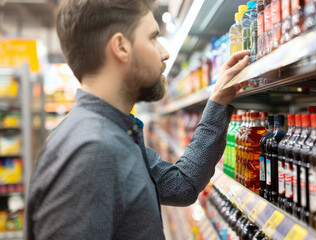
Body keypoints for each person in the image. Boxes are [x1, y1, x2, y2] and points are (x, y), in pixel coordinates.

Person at [24, 0, 250, 239]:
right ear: (121, 47)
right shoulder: (91, 153)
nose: (165, 53)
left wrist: (218, 101)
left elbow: (181, 186)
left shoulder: (114, 134)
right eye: (153, 38)